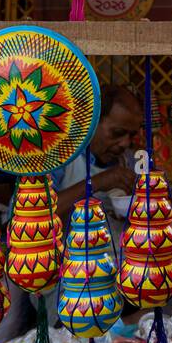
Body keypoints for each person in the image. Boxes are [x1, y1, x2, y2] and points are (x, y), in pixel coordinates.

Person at [51, 84, 144, 239]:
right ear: (92, 123)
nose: (125, 143)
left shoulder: (129, 162)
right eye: (118, 133)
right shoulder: (61, 156)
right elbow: (35, 214)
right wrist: (96, 183)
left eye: (131, 135)